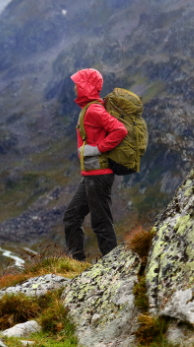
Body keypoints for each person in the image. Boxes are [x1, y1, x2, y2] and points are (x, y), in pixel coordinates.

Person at [63, 68, 128, 261]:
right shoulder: (89, 109)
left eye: (77, 83)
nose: (74, 87)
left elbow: (119, 130)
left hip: (99, 175)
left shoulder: (94, 109)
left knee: (100, 222)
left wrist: (97, 149)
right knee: (72, 217)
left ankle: (113, 267)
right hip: (92, 175)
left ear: (86, 86)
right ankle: (76, 263)